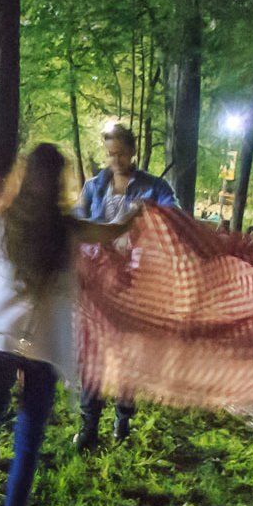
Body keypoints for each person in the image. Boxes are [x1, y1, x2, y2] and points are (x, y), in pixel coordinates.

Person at [0, 144, 131, 506]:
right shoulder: (70, 229)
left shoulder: (0, 224)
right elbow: (113, 231)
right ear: (59, 183)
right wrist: (135, 215)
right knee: (28, 439)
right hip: (43, 347)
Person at [70, 124, 178, 451]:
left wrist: (153, 214)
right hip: (98, 281)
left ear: (132, 150)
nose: (115, 159)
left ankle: (123, 418)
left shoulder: (154, 187)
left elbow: (174, 218)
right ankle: (89, 424)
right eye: (110, 154)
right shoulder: (94, 186)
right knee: (92, 352)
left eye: (120, 152)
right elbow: (78, 223)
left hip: (134, 281)